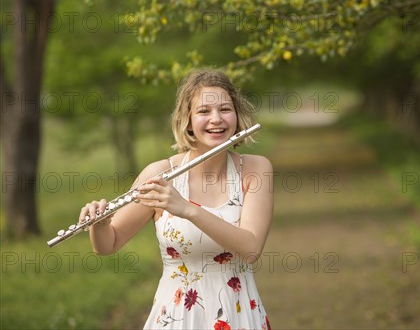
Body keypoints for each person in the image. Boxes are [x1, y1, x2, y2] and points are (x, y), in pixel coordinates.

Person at [79, 70, 274, 330]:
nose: (216, 119)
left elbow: (250, 249)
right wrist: (99, 224)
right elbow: (107, 245)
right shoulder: (159, 174)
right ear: (188, 120)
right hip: (177, 316)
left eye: (225, 109)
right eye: (204, 111)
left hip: (238, 313)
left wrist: (186, 209)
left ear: (237, 116)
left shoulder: (255, 170)